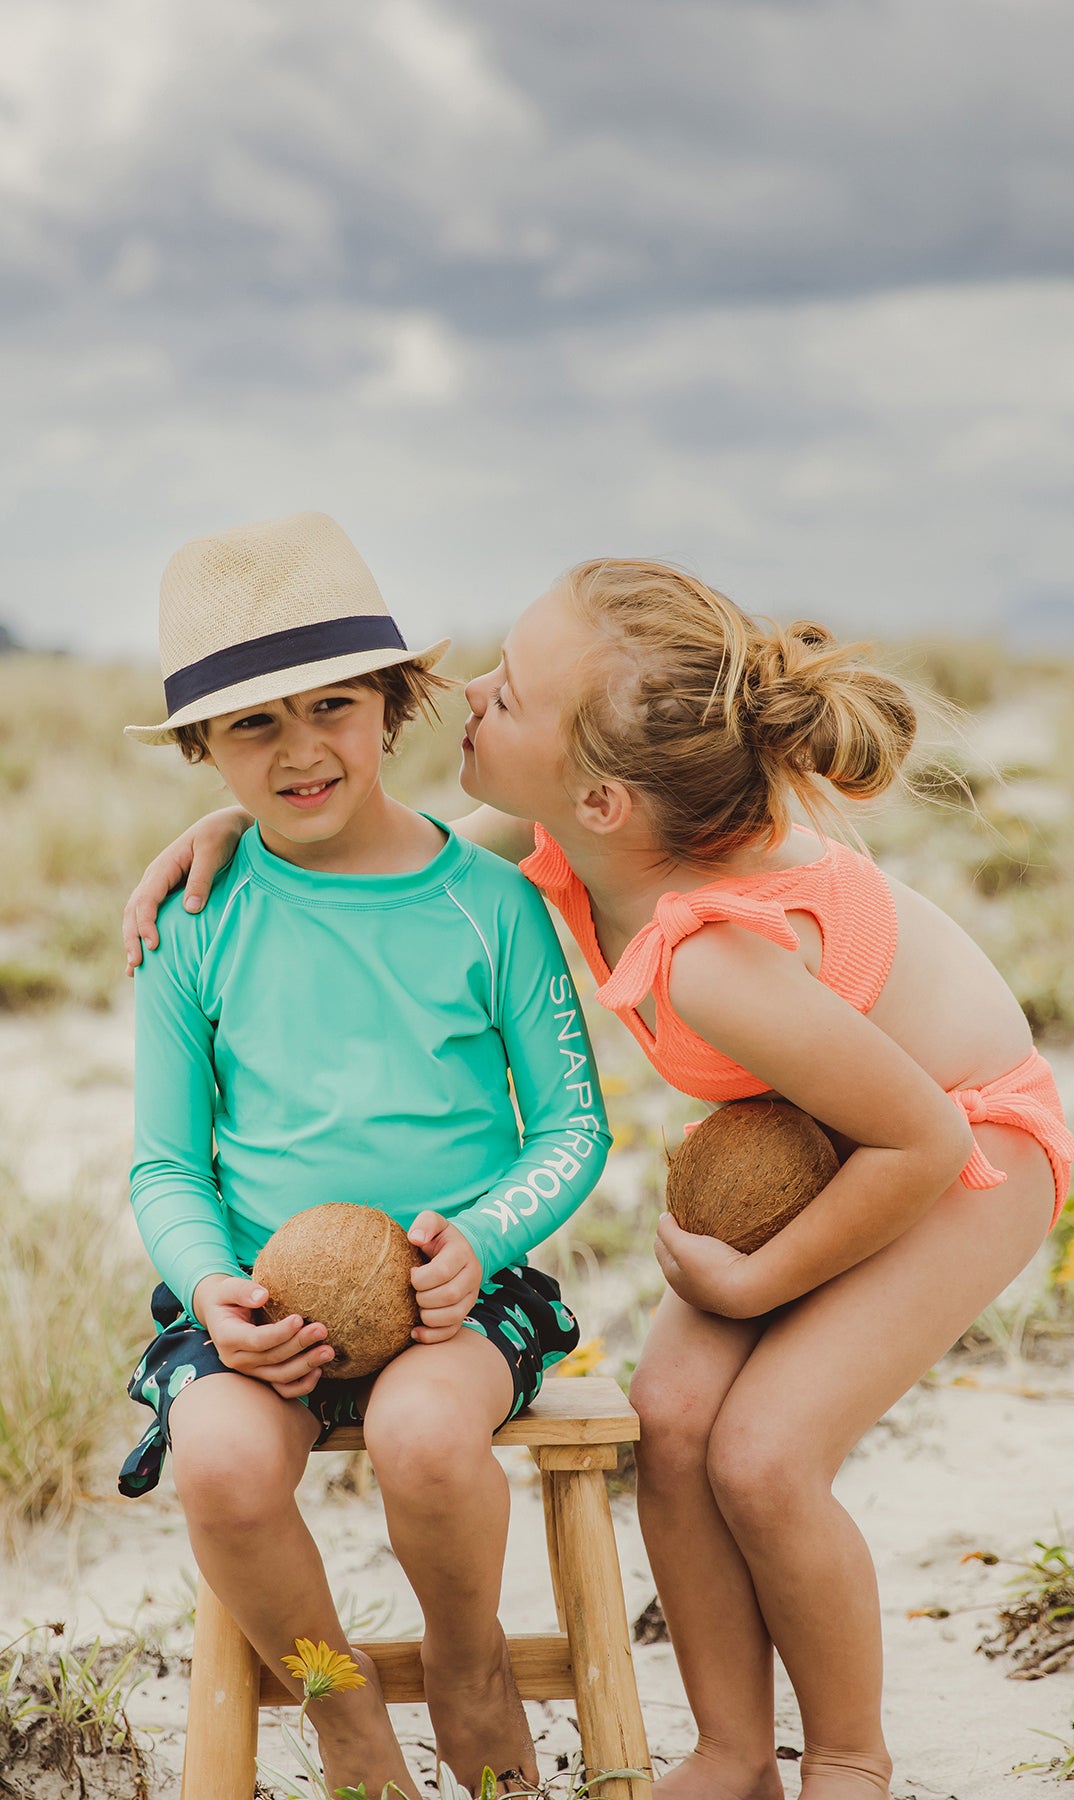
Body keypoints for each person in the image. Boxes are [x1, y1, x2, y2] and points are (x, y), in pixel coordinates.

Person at [126, 557, 1074, 1800]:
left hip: (964, 1145)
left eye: (507, 695)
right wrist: (235, 826)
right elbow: (375, 874)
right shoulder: (560, 823)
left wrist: (754, 1283)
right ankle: (734, 1754)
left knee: (764, 1457)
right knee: (675, 1423)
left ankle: (848, 1754)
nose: (470, 692)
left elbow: (927, 1146)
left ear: (601, 800)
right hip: (823, 1129)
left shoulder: (711, 962)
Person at [119, 514, 610, 1800]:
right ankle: (339, 1708)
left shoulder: (488, 905)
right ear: (201, 749)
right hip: (257, 1305)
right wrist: (211, 1284)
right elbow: (163, 1163)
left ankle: (466, 1664)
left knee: (427, 1441)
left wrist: (482, 1243)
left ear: (391, 703)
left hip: (458, 1296)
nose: (299, 752)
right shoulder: (194, 922)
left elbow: (575, 1127)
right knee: (219, 1463)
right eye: (250, 727)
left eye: (330, 706)